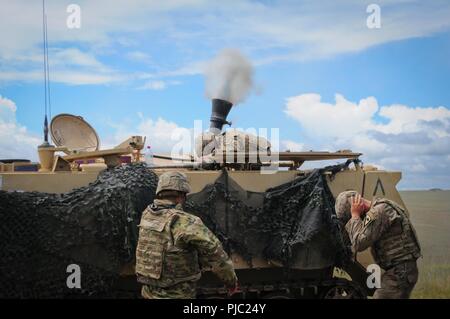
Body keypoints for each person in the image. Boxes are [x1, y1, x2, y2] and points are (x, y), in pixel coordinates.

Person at [135, 171, 238, 299]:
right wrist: (231, 281)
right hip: (177, 294)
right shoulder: (186, 221)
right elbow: (216, 254)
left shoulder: (147, 214)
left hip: (148, 293)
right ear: (181, 196)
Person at [335, 191, 421, 299]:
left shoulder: (378, 212)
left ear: (357, 205)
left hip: (400, 272)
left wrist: (355, 216)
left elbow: (359, 244)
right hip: (400, 271)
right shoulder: (380, 208)